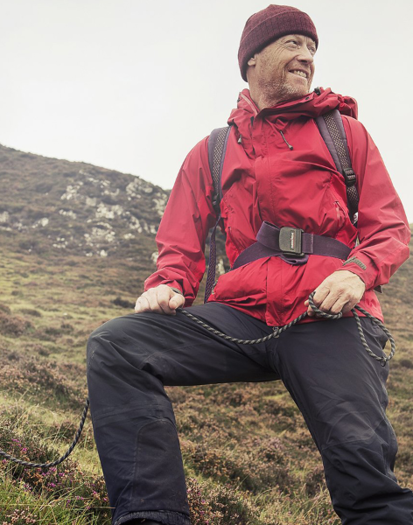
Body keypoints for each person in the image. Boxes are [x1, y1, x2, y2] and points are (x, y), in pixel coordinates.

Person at [86, 4, 412, 525]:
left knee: (361, 466)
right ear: (252, 60)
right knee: (117, 345)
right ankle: (151, 517)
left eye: (312, 49)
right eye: (292, 45)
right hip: (242, 317)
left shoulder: (345, 134)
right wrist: (169, 283)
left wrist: (356, 273)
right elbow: (180, 242)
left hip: (328, 314)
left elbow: (390, 228)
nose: (306, 56)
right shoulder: (211, 152)